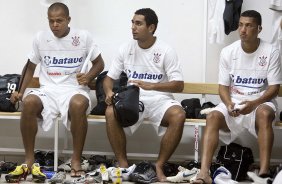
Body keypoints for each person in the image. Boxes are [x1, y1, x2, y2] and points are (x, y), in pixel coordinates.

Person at [6, 2, 104, 183]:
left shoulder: (83, 37)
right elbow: (29, 68)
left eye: (59, 21)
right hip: (48, 89)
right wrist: (20, 92)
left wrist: (89, 76)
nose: (55, 25)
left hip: (74, 89)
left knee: (78, 104)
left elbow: (100, 64)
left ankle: (76, 159)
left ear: (68, 20)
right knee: (29, 103)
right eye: (51, 21)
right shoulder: (40, 38)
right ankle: (29, 159)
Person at [193, 10, 282, 184]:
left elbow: (274, 89)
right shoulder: (228, 52)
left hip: (260, 102)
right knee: (212, 116)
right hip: (234, 102)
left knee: (264, 113)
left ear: (259, 29)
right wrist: (228, 105)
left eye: (248, 25)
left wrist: (254, 103)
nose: (243, 29)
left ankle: (263, 173)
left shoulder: (271, 52)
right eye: (241, 25)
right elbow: (223, 87)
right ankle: (203, 173)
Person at [103, 8, 185, 182]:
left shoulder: (166, 50)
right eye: (132, 23)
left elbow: (179, 85)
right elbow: (108, 79)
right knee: (110, 112)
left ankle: (159, 165)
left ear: (151, 27)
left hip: (159, 100)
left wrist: (153, 85)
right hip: (133, 99)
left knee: (179, 115)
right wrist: (109, 92)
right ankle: (123, 165)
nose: (133, 27)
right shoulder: (125, 48)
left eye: (138, 23)